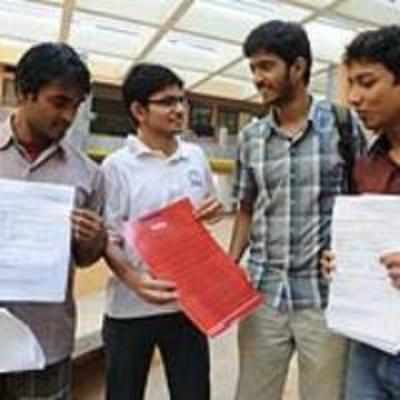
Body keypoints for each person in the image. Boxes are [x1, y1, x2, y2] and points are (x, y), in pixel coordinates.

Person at [229, 20, 365, 400]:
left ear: (299, 67)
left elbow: (362, 199)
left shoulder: (342, 126)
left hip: (323, 300)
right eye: (253, 68)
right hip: (263, 295)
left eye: (267, 66)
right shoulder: (250, 139)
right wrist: (228, 266)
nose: (258, 77)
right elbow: (245, 209)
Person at [102, 63, 222, 400]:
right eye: (167, 102)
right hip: (130, 309)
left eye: (182, 100)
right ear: (139, 110)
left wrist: (213, 212)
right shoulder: (116, 167)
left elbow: (208, 209)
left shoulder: (196, 157)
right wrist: (133, 279)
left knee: (193, 393)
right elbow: (107, 238)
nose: (179, 109)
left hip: (188, 307)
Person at [0, 42, 107, 399]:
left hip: (45, 345)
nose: (67, 116)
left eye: (75, 106)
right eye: (59, 102)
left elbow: (86, 258)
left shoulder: (88, 174)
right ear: (25, 94)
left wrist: (95, 238)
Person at [322, 25, 400, 400]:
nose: (353, 97)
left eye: (367, 83)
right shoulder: (366, 164)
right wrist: (344, 263)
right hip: (368, 344)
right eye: (350, 84)